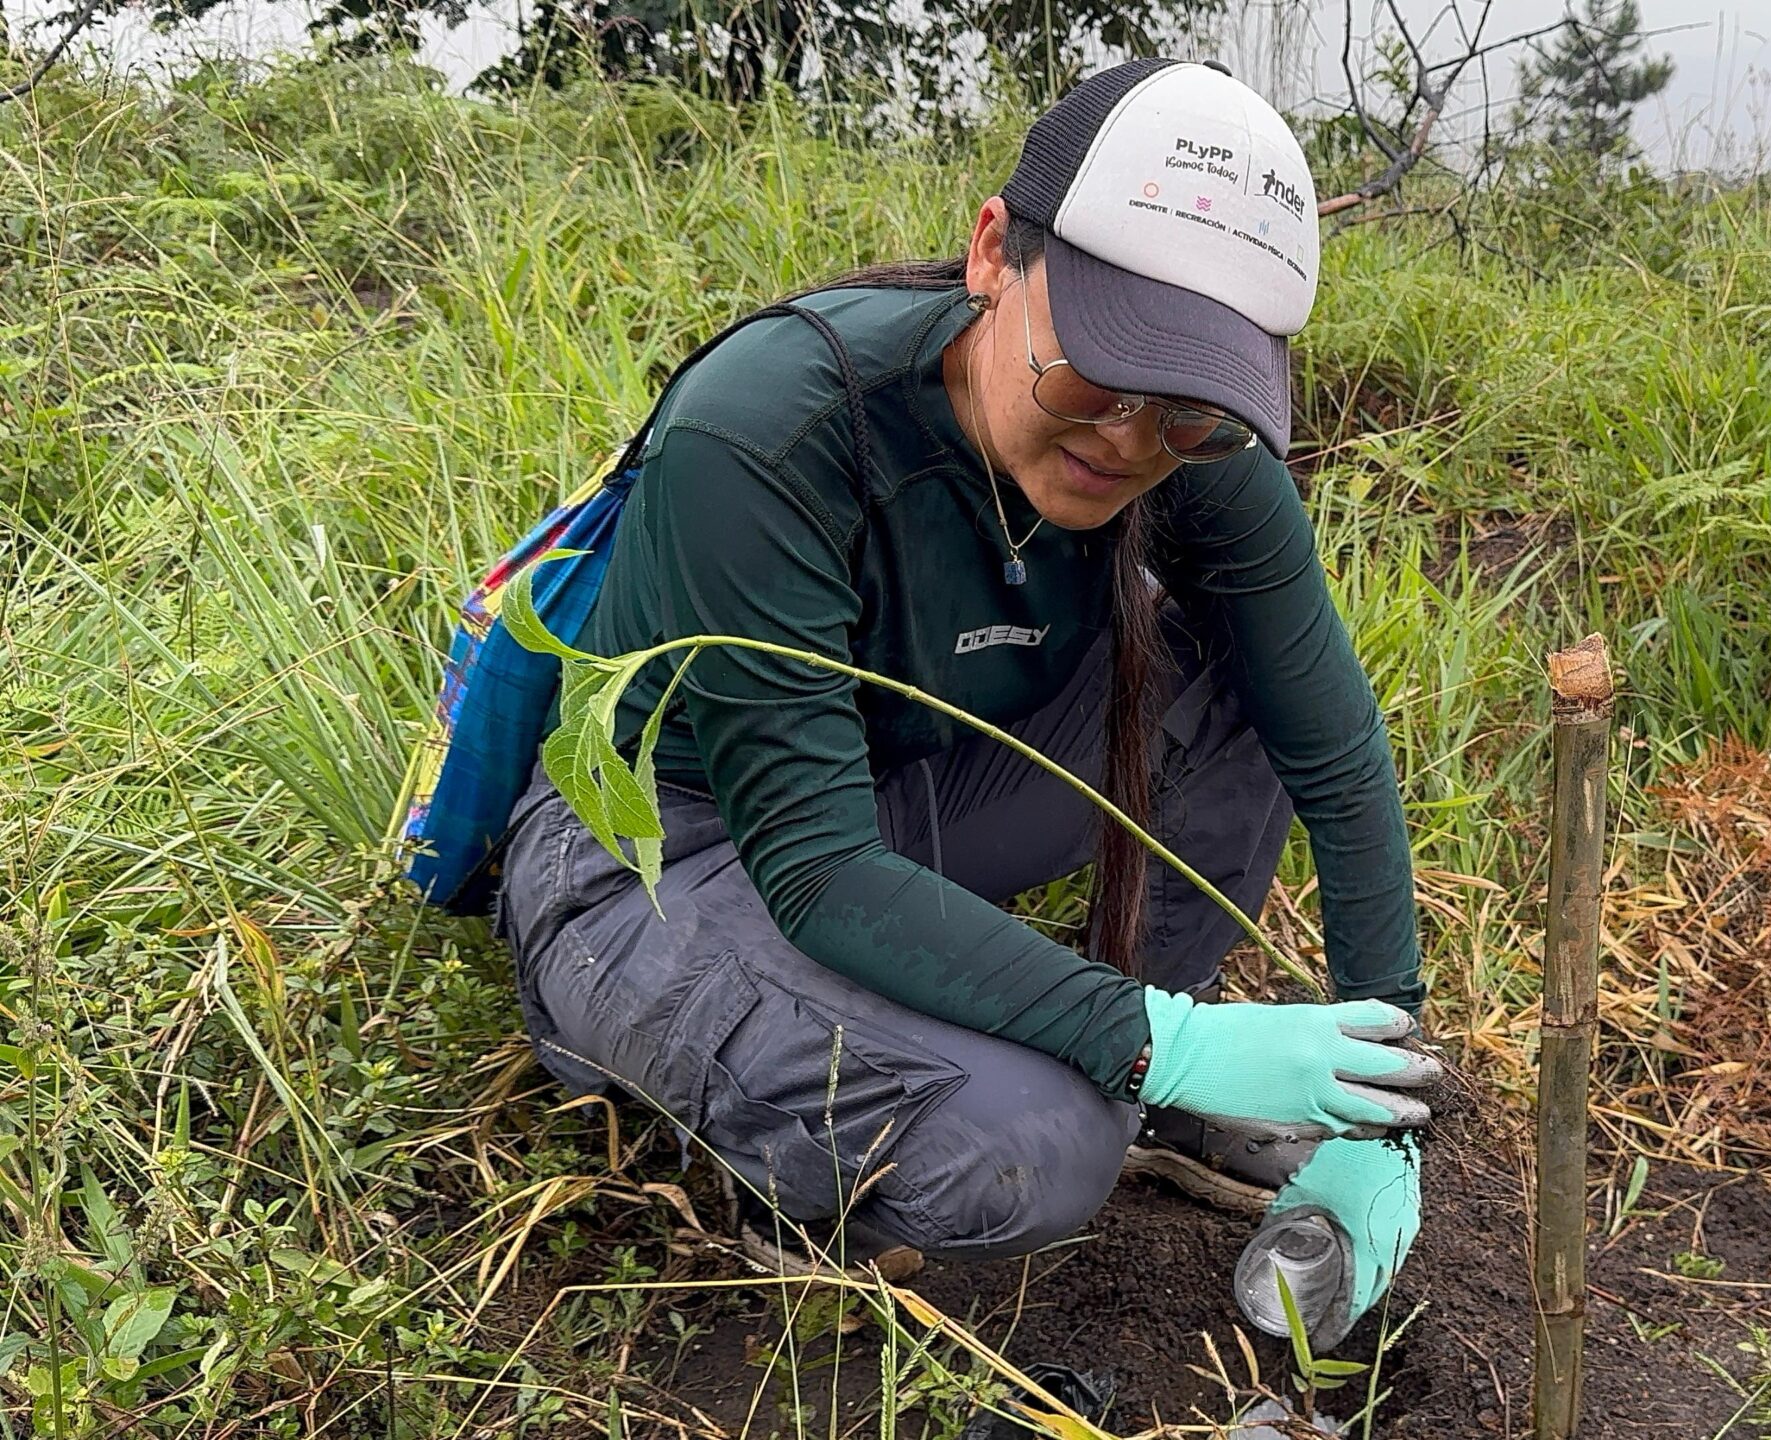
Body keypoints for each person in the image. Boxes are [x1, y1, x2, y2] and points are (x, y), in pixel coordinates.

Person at [488, 57, 1438, 1341]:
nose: (1131, 437)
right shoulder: (771, 431)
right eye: (1105, 367)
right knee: (1032, 1147)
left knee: (1239, 699)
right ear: (995, 251)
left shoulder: (1188, 449)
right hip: (671, 843)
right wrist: (1166, 1039)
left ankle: (1125, 1067)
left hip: (909, 796)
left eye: (1191, 408)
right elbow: (816, 870)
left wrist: (1391, 1107)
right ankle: (812, 1188)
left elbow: (1327, 741)